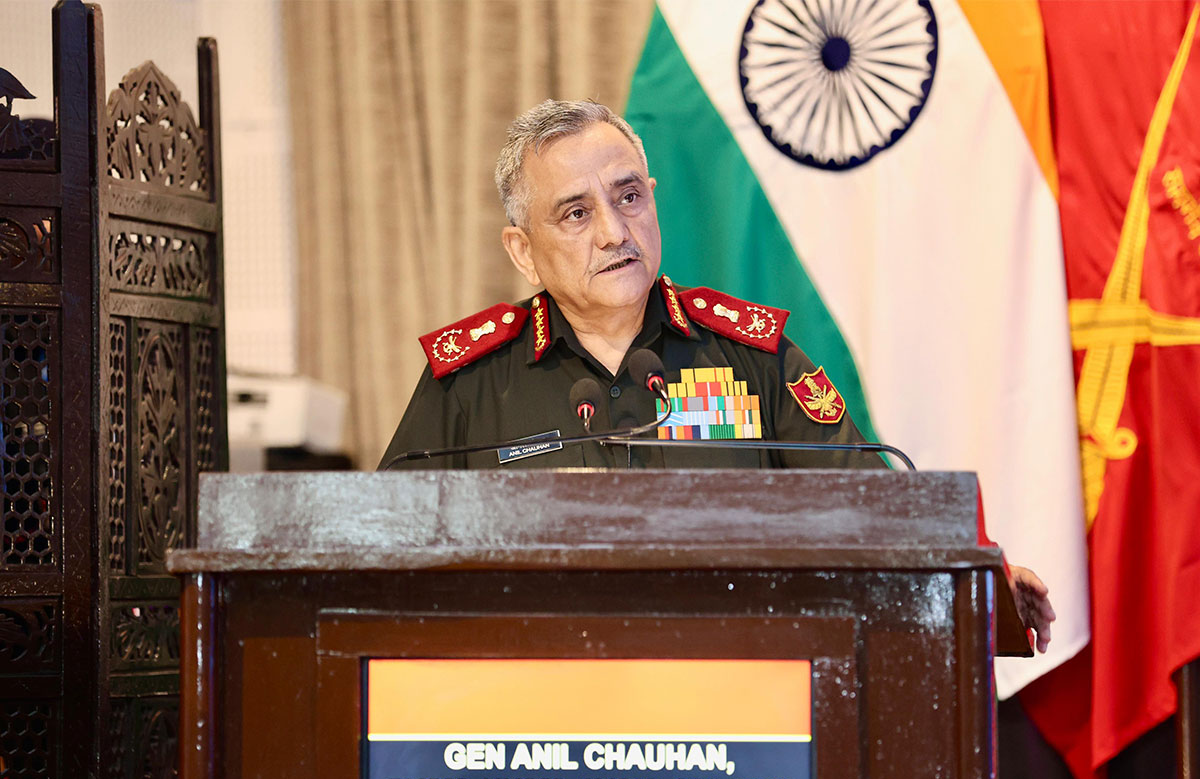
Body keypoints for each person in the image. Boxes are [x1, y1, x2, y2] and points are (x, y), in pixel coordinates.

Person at [378, 99, 1054, 651]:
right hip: (530, 714)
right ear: (523, 251)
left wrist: (981, 577)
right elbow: (378, 553)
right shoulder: (466, 383)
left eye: (630, 196)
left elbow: (867, 512)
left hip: (740, 708)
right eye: (577, 213)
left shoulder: (753, 358)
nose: (615, 232)